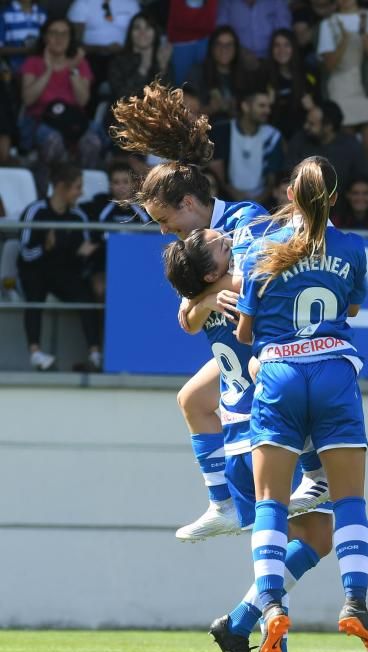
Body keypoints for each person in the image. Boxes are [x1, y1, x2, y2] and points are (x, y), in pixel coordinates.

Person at [110, 82, 329, 540]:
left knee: (304, 528)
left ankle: (317, 479)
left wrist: (207, 295)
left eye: (167, 220)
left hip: (271, 351)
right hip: (237, 360)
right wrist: (204, 299)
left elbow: (256, 280)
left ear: (189, 203)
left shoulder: (244, 222)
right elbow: (187, 321)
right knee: (192, 400)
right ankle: (222, 504)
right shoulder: (191, 248)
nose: (166, 232)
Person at [235, 155, 368, 652]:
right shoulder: (352, 246)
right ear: (335, 195)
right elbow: (349, 310)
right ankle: (356, 603)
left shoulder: (263, 247)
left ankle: (273, 603)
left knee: (270, 505)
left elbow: (245, 335)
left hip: (278, 372)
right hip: (334, 372)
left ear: (290, 195)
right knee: (349, 500)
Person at [164, 224, 333, 652]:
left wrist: (201, 295)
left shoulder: (208, 299)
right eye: (219, 245)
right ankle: (243, 627)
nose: (226, 239)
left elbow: (188, 316)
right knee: (315, 536)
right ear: (213, 268)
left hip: (237, 440)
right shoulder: (240, 285)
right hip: (267, 434)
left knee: (297, 540)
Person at [18, 163, 102, 371]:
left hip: (63, 274)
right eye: (77, 187)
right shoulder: (35, 211)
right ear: (61, 187)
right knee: (34, 290)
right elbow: (26, 253)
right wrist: (46, 248)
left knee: (85, 293)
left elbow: (79, 254)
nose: (80, 193)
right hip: (35, 271)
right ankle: (35, 353)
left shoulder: (78, 216)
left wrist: (84, 253)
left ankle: (95, 354)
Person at [19, 18, 102, 177]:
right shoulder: (33, 62)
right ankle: (51, 190)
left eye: (65, 34)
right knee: (52, 141)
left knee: (93, 143)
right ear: (45, 37)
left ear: (71, 38)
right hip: (41, 121)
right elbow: (28, 99)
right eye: (54, 33)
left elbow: (83, 100)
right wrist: (48, 70)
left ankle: (81, 189)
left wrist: (72, 70)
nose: (59, 38)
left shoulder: (80, 63)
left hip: (73, 122)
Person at [317, 0, 368, 175]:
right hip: (341, 87)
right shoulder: (328, 24)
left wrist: (364, 34)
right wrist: (344, 40)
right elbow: (329, 65)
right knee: (345, 152)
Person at [81, 160, 150, 302]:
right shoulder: (99, 208)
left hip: (137, 265)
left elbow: (151, 239)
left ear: (134, 184)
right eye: (116, 182)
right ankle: (102, 324)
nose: (121, 187)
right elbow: (94, 240)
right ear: (110, 185)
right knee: (100, 289)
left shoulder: (145, 210)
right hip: (105, 264)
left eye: (125, 182)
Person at [208, 85, 284, 206]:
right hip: (226, 200)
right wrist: (235, 197)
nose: (267, 111)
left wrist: (255, 203)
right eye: (262, 106)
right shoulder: (223, 131)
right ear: (245, 106)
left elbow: (272, 180)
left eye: (269, 106)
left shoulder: (273, 136)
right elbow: (216, 173)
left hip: (263, 204)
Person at [286, 99, 368, 198]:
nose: (306, 126)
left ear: (328, 126)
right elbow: (288, 175)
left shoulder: (351, 147)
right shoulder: (299, 140)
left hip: (342, 206)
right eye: (307, 122)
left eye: (312, 124)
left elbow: (362, 181)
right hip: (304, 201)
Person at [67, 0, 140, 110]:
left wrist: (124, 50)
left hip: (125, 55)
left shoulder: (131, 3)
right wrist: (101, 49)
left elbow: (140, 32)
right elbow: (74, 42)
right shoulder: (82, 3)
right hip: (91, 56)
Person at [108, 12, 173, 104]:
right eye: (137, 28)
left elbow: (166, 99)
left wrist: (162, 68)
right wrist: (143, 68)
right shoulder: (118, 62)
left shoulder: (162, 59)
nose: (142, 33)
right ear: (130, 33)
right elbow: (123, 98)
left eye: (148, 27)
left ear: (155, 32)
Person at [185, 25, 243, 124]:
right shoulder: (197, 72)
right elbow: (186, 113)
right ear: (212, 48)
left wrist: (236, 109)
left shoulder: (244, 75)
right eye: (219, 44)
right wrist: (211, 109)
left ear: (236, 48)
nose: (224, 49)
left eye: (229, 45)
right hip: (205, 133)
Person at [264, 28, 316, 140]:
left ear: (294, 48)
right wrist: (268, 105)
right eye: (277, 45)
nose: (281, 50)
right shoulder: (264, 76)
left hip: (304, 135)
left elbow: (319, 109)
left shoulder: (308, 73)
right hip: (273, 135)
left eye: (286, 45)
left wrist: (312, 107)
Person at [216, 0, 292, 69]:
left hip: (273, 60)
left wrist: (272, 56)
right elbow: (221, 32)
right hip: (237, 61)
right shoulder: (227, 2)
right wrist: (241, 52)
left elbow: (285, 33)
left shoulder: (276, 2)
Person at [0, 0, 47, 71]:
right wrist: (26, 50)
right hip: (12, 68)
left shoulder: (42, 14)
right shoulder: (4, 14)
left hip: (39, 68)